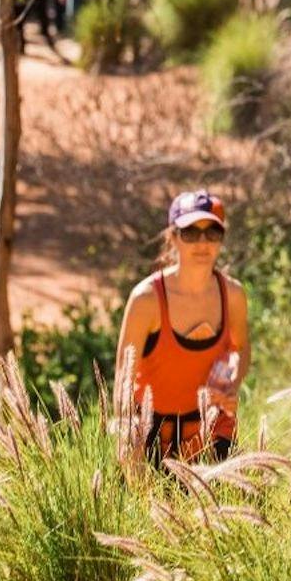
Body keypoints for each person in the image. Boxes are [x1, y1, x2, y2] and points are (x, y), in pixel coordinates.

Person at [116, 191, 251, 468]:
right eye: (190, 232)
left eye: (212, 232)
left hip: (211, 431)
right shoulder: (147, 299)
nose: (202, 242)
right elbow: (123, 378)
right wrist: (128, 441)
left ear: (222, 238)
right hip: (151, 435)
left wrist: (232, 387)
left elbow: (243, 348)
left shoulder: (233, 294)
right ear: (173, 237)